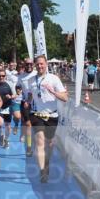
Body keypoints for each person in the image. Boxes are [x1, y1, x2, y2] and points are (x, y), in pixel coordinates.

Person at [28, 54, 69, 183]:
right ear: (35, 65)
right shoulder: (31, 80)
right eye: (37, 64)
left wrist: (53, 92)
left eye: (42, 63)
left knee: (50, 144)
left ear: (46, 64)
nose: (39, 66)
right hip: (36, 114)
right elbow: (31, 95)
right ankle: (42, 172)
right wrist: (27, 102)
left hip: (52, 116)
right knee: (40, 142)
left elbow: (65, 98)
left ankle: (46, 162)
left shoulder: (54, 79)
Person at [18, 59, 36, 155]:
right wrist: (18, 90)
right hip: (25, 103)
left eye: (30, 64)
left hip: (38, 103)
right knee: (28, 124)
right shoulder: (21, 76)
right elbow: (18, 86)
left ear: (33, 65)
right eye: (27, 64)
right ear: (24, 65)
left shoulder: (37, 74)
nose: (29, 65)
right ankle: (29, 147)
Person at [0, 69, 14, 149]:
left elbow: (15, 95)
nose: (1, 77)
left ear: (5, 76)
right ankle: (1, 134)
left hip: (8, 107)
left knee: (8, 126)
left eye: (3, 76)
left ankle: (6, 139)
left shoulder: (10, 84)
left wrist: (11, 96)